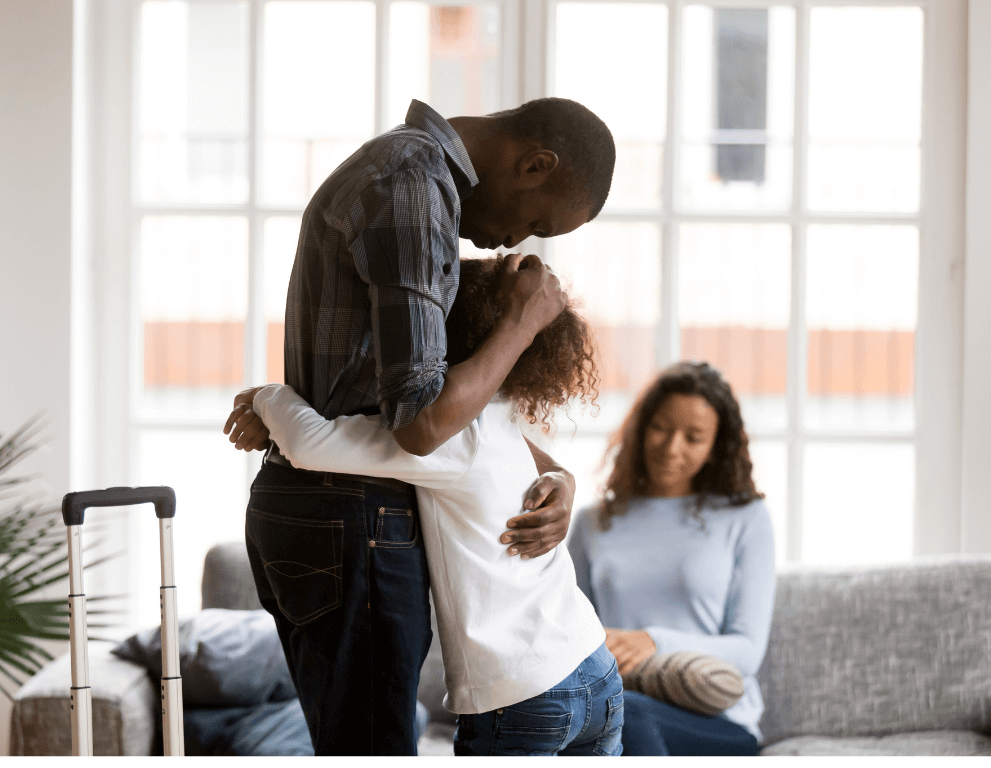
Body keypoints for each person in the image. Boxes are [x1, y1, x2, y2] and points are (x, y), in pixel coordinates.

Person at [223, 98, 615, 755]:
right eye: (537, 220)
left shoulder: (413, 181)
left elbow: (472, 431)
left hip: (344, 501)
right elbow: (423, 423)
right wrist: (523, 323)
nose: (517, 242)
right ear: (534, 164)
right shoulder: (410, 188)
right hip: (349, 509)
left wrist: (557, 472)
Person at [567, 361, 776, 756]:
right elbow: (570, 631)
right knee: (599, 716)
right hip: (620, 701)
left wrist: (653, 641)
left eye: (693, 437)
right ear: (641, 428)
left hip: (718, 720)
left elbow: (748, 650)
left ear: (715, 448)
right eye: (661, 428)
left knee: (626, 716)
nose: (671, 447)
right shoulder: (593, 522)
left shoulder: (745, 518)